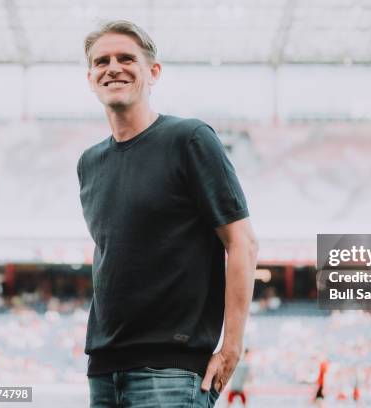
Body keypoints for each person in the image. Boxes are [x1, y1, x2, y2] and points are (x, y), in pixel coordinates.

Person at [77, 20, 258, 407]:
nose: (113, 68)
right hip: (104, 369)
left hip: (172, 369)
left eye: (127, 58)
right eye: (101, 61)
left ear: (153, 72)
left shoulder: (189, 139)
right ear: (91, 77)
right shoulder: (89, 163)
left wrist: (231, 348)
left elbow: (241, 242)